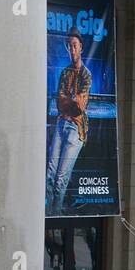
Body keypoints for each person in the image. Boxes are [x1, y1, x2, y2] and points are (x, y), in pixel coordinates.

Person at [45, 28, 92, 214]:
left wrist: (73, 101)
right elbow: (60, 103)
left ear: (81, 47)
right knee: (50, 172)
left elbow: (80, 105)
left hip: (75, 128)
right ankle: (48, 214)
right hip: (61, 124)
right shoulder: (65, 73)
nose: (72, 50)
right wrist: (71, 100)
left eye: (74, 46)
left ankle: (55, 215)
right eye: (69, 46)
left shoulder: (86, 74)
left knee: (61, 178)